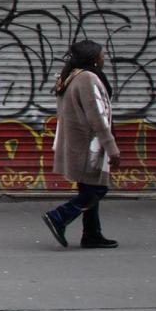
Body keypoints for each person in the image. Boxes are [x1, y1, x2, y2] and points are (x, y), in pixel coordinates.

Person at [42, 40, 121, 250]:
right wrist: (111, 146)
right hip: (89, 145)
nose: (104, 58)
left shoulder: (71, 76)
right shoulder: (86, 78)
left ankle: (92, 235)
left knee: (89, 187)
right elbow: (96, 116)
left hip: (76, 143)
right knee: (98, 189)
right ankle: (59, 216)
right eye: (102, 55)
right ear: (93, 58)